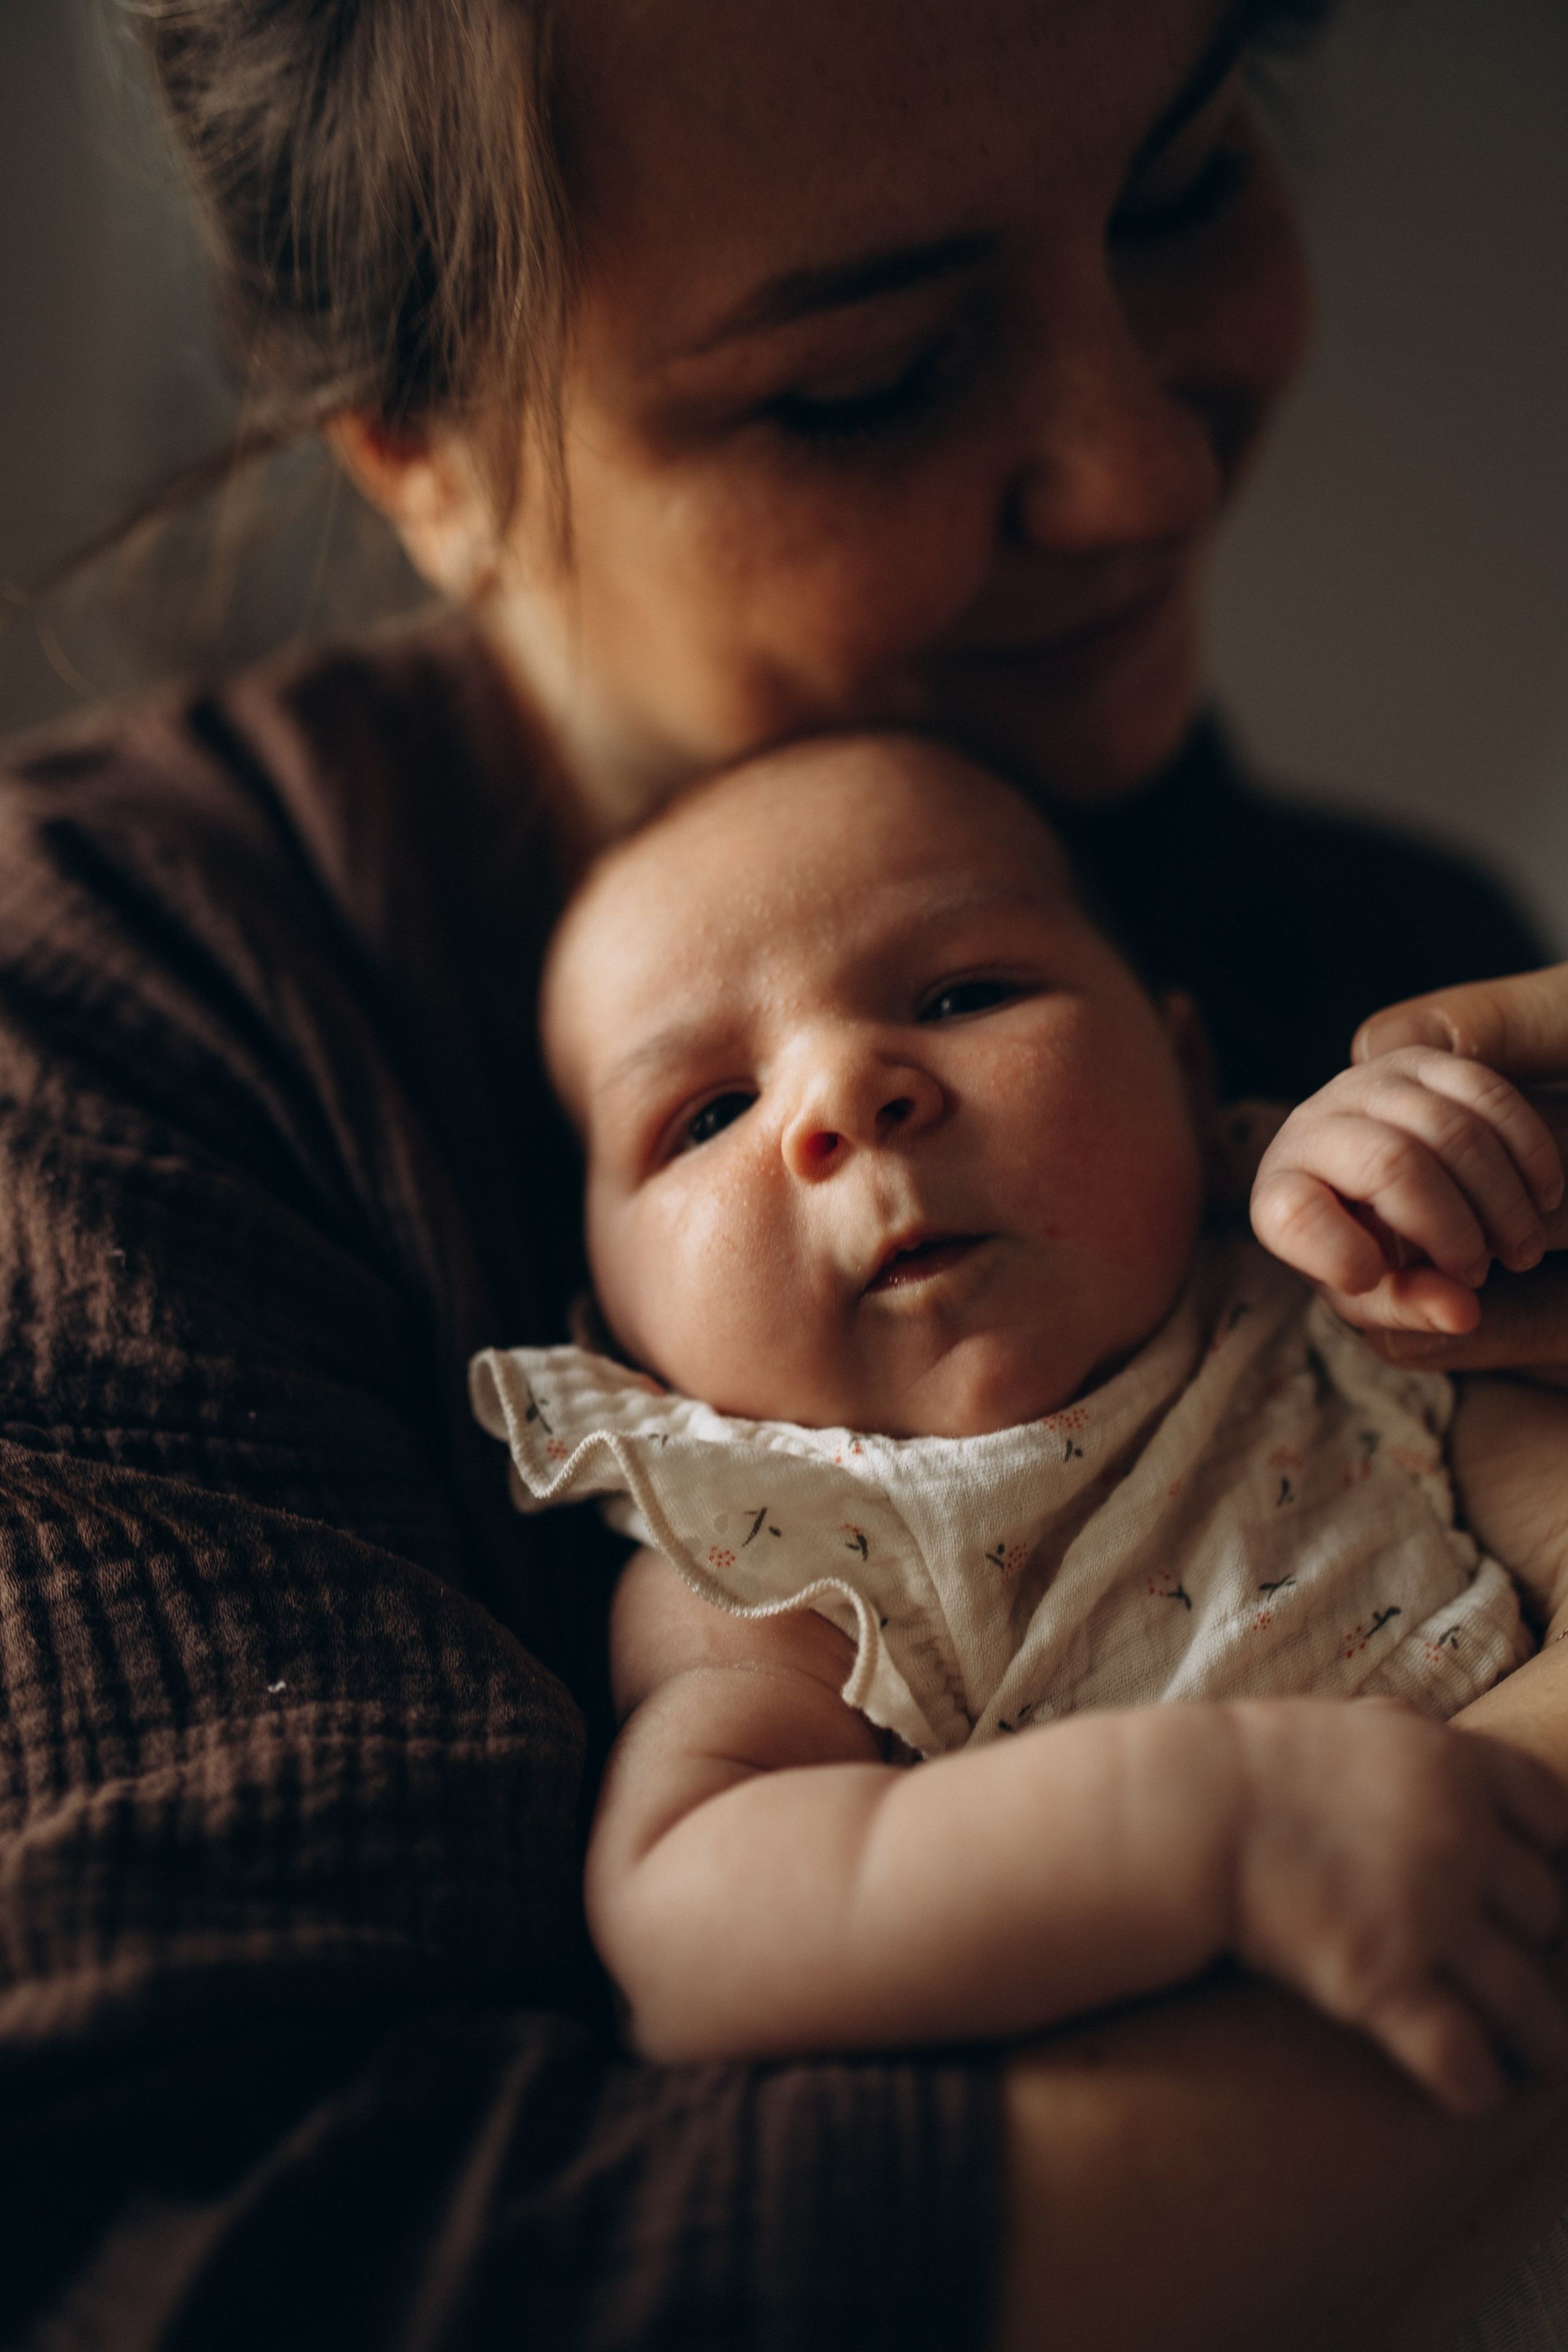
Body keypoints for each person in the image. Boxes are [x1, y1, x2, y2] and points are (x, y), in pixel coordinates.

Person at [4, 0, 1568, 2345]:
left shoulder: (1379, 982)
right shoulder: (101, 1034)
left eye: (1180, 185)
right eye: (862, 380)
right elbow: (258, 2250)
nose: (1138, 469)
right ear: (424, 459)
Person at [473, 730, 1568, 2112]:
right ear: (617, 1309)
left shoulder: (1313, 1306)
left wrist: (1447, 1195)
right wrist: (1212, 1832)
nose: (842, 1099)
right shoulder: (770, 1548)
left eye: (963, 992)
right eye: (708, 1115)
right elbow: (691, 1930)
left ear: (1182, 1069)